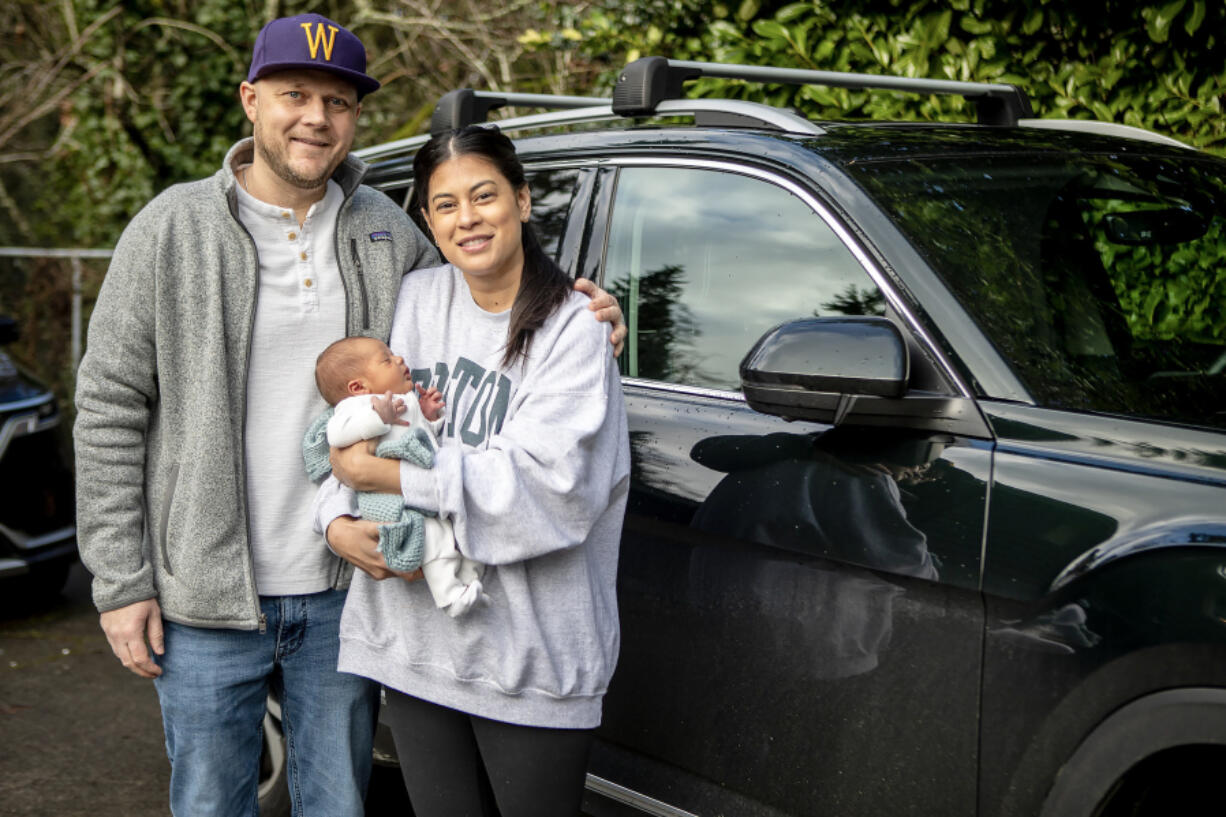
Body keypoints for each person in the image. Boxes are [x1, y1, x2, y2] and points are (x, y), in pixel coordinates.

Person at [72, 13, 624, 817]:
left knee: (339, 803)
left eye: (338, 101)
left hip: (348, 589)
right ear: (250, 100)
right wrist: (121, 581)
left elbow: (482, 285)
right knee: (208, 804)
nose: (316, 117)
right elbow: (109, 409)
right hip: (206, 595)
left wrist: (585, 301)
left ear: (354, 118)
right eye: (295, 93)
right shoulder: (171, 230)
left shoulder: (386, 233)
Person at [315, 125, 631, 817]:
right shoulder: (416, 298)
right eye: (447, 205)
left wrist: (393, 480)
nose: (468, 218)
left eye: (485, 196)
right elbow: (362, 416)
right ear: (427, 221)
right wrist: (336, 519)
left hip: (530, 657)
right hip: (415, 642)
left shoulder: (575, 328)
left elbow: (550, 490)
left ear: (521, 200)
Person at [309, 336, 484, 617]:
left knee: (453, 531)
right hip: (391, 499)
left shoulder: (402, 400)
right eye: (386, 360)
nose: (400, 360)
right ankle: (450, 597)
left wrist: (428, 414)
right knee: (432, 538)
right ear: (358, 387)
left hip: (421, 488)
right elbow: (337, 434)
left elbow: (421, 435)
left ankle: (469, 575)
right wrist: (377, 418)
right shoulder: (357, 408)